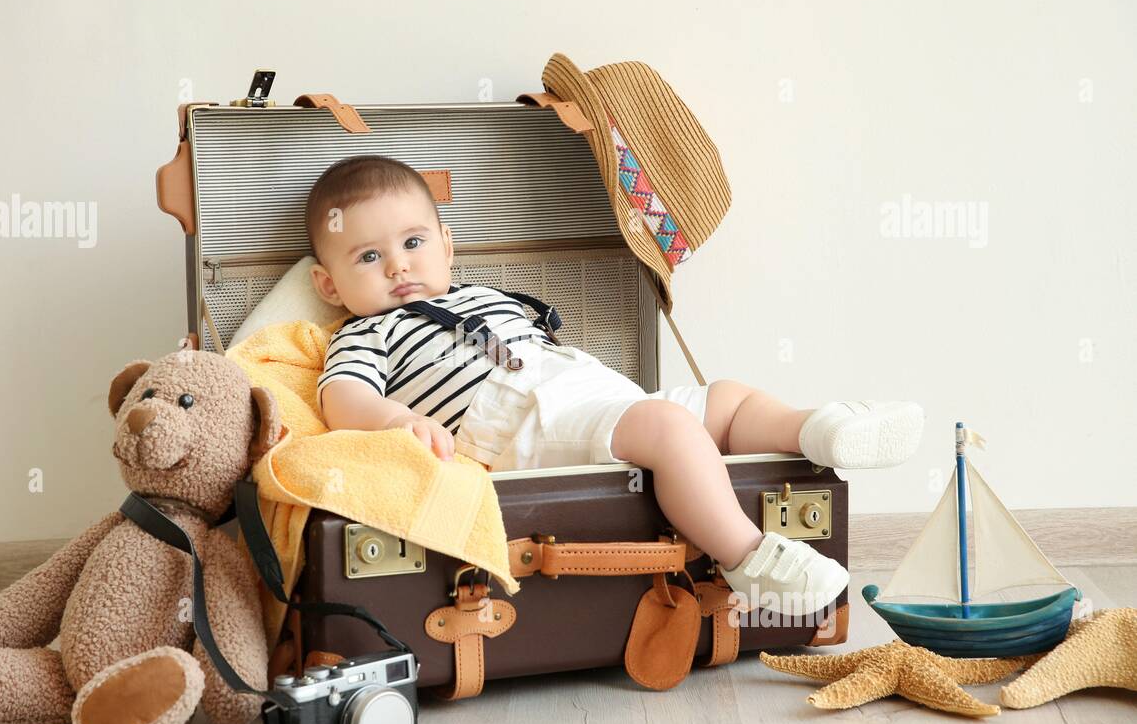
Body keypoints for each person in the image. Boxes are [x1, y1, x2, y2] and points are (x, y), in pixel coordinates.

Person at [308, 155, 924, 618]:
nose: (398, 266)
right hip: (513, 420)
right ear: (329, 284)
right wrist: (395, 422)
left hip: (583, 386)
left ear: (446, 244)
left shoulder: (484, 295)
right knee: (669, 430)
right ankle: (749, 558)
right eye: (368, 257)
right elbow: (343, 399)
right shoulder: (365, 333)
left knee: (727, 398)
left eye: (414, 242)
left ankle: (823, 429)